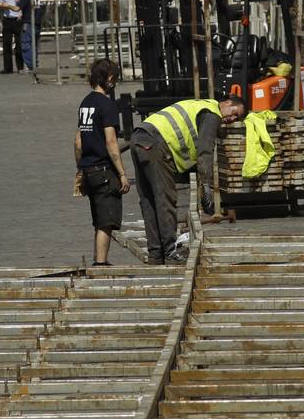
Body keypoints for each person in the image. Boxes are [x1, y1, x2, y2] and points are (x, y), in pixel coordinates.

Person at [131, 95, 246, 265]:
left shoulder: (199, 105)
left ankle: (155, 254)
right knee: (165, 199)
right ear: (227, 103)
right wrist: (205, 185)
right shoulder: (212, 113)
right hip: (157, 143)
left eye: (237, 118)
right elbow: (205, 151)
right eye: (235, 113)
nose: (232, 119)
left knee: (148, 200)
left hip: (139, 138)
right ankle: (170, 252)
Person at [74, 57, 130, 266]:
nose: (114, 82)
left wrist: (80, 167)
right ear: (108, 78)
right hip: (104, 170)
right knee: (106, 221)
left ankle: (98, 259)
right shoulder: (107, 105)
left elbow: (78, 141)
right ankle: (100, 264)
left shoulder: (85, 103)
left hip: (89, 169)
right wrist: (123, 173)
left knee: (98, 220)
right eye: (112, 78)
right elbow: (111, 141)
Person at [0, 0, 25, 73]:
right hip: (8, 19)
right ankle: (8, 68)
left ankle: (20, 67)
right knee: (7, 44)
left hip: (18, 20)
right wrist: (3, 5)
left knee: (19, 44)